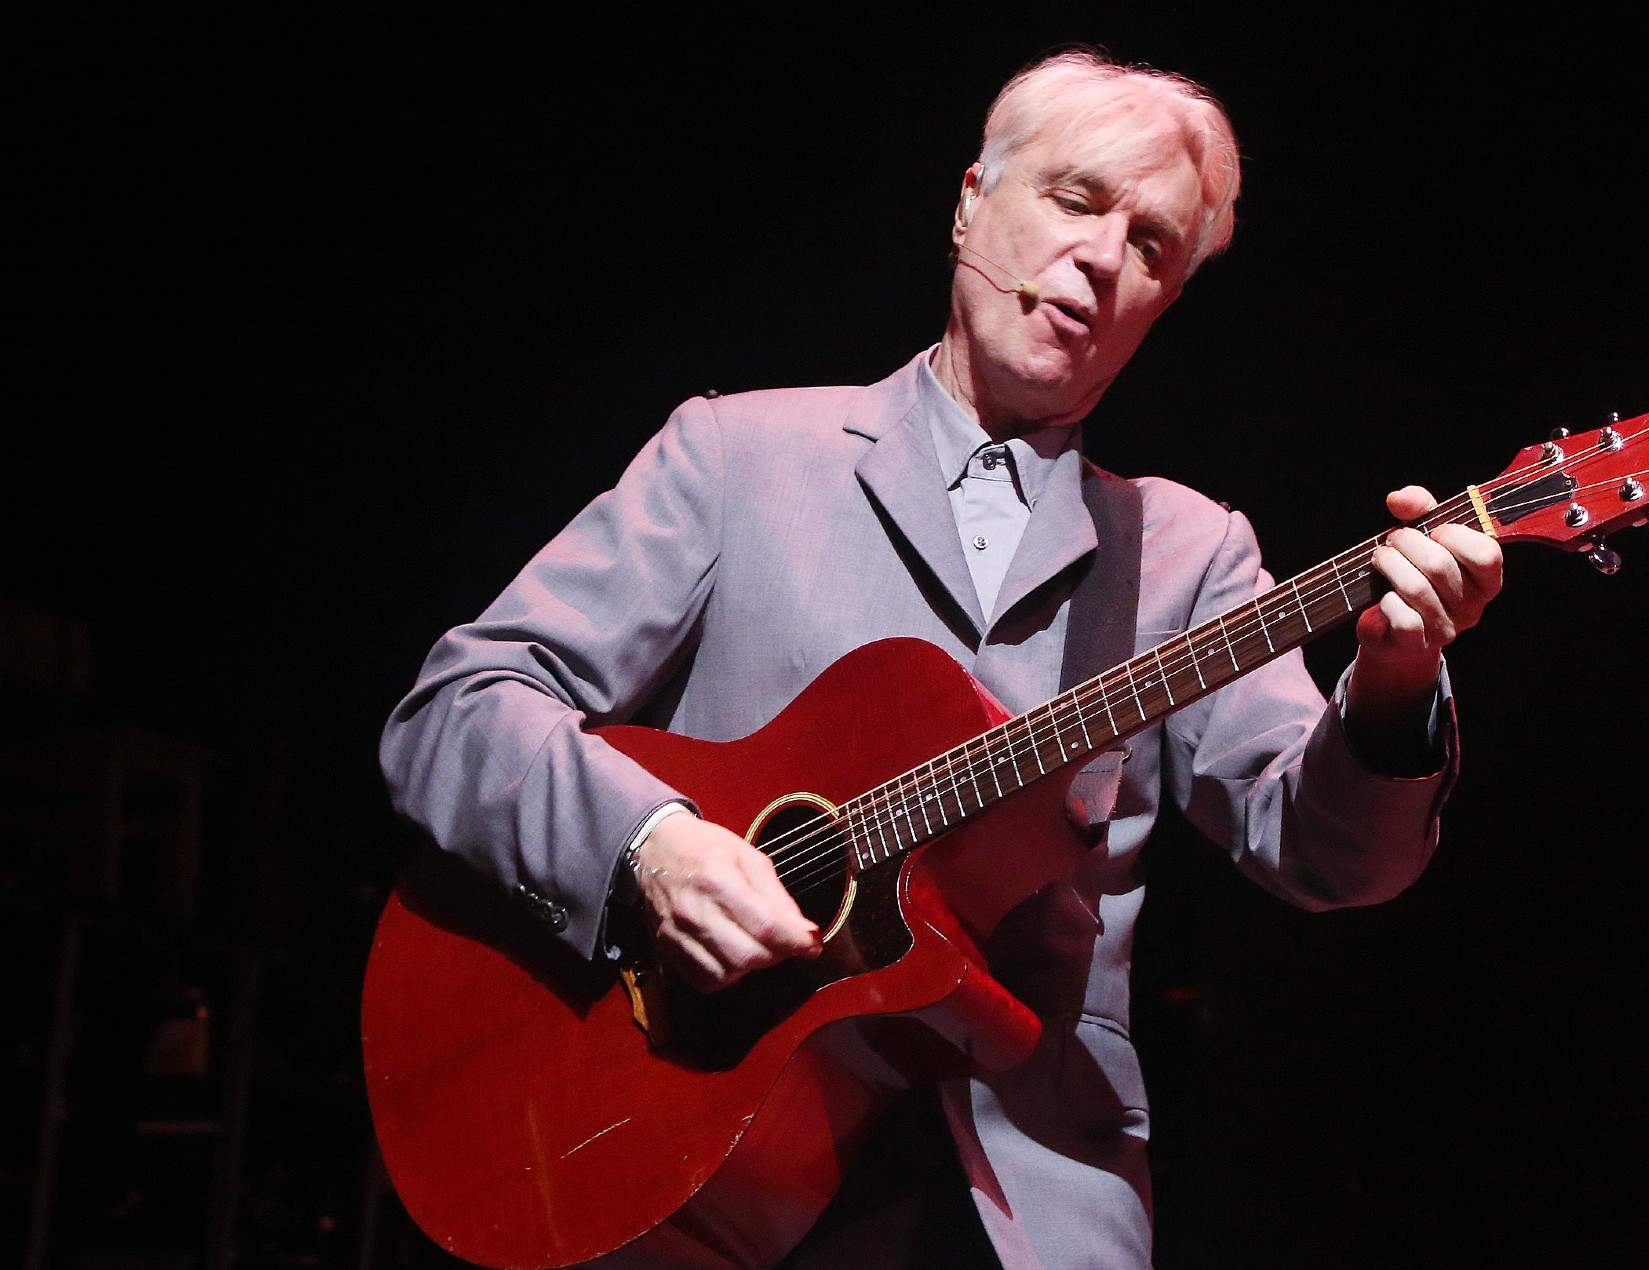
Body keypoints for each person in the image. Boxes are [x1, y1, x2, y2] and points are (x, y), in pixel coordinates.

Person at [380, 49, 1503, 1269]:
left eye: (1149, 247)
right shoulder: (738, 457)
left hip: (1026, 1198)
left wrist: (1391, 687)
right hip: (694, 1142)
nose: (1100, 258)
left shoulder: (1186, 551)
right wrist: (649, 850)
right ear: (970, 202)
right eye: (1074, 200)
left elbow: (1326, 856)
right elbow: (460, 708)